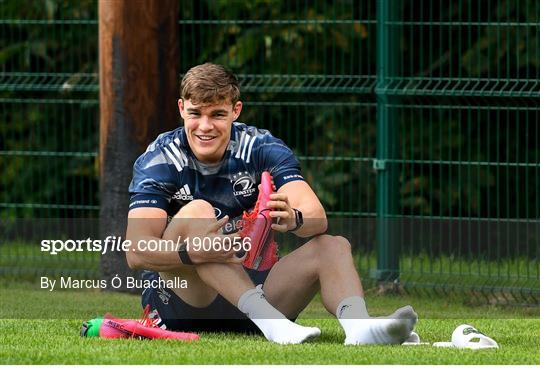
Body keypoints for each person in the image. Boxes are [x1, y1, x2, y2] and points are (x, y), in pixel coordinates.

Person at [125, 63, 417, 345]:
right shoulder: (160, 157)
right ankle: (272, 323)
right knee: (199, 213)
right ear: (181, 110)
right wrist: (192, 252)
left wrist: (295, 219)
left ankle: (360, 328)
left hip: (254, 294)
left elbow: (317, 216)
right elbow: (136, 251)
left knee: (333, 245)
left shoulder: (260, 145)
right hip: (184, 302)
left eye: (217, 114)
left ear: (235, 111)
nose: (205, 126)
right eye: (195, 114)